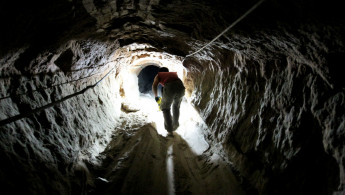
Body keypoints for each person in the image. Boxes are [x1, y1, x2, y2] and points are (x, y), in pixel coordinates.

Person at [152, 67, 185, 134]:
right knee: (176, 106)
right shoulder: (172, 74)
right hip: (181, 87)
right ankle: (175, 125)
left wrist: (156, 96)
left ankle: (170, 130)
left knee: (165, 108)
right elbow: (177, 84)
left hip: (170, 87)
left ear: (160, 72)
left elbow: (154, 86)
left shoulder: (159, 75)